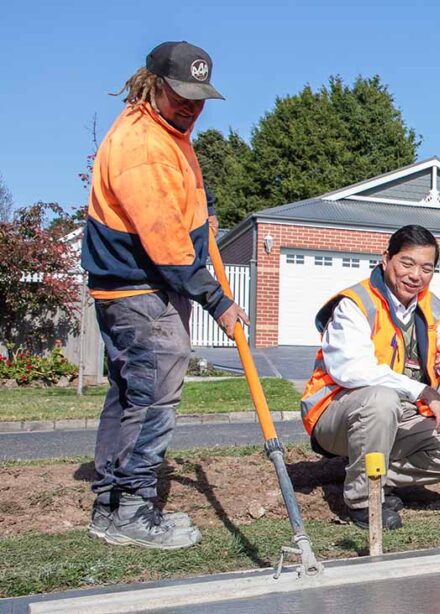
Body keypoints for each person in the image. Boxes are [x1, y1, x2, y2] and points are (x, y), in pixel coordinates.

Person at [82, 41, 247, 549]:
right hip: (140, 291)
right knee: (154, 397)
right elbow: (170, 248)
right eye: (181, 95)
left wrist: (206, 204)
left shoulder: (166, 130)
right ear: (152, 83)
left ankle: (110, 507)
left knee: (131, 395)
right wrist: (218, 301)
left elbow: (184, 194)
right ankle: (132, 509)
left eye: (199, 98)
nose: (191, 106)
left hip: (134, 289)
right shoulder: (143, 147)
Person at [300, 225, 440, 529]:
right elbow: (351, 369)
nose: (415, 275)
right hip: (336, 415)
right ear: (386, 259)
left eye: (427, 268)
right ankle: (363, 500)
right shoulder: (355, 304)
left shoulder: (432, 307)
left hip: (399, 416)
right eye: (407, 263)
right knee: (381, 398)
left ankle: (373, 474)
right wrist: (423, 392)